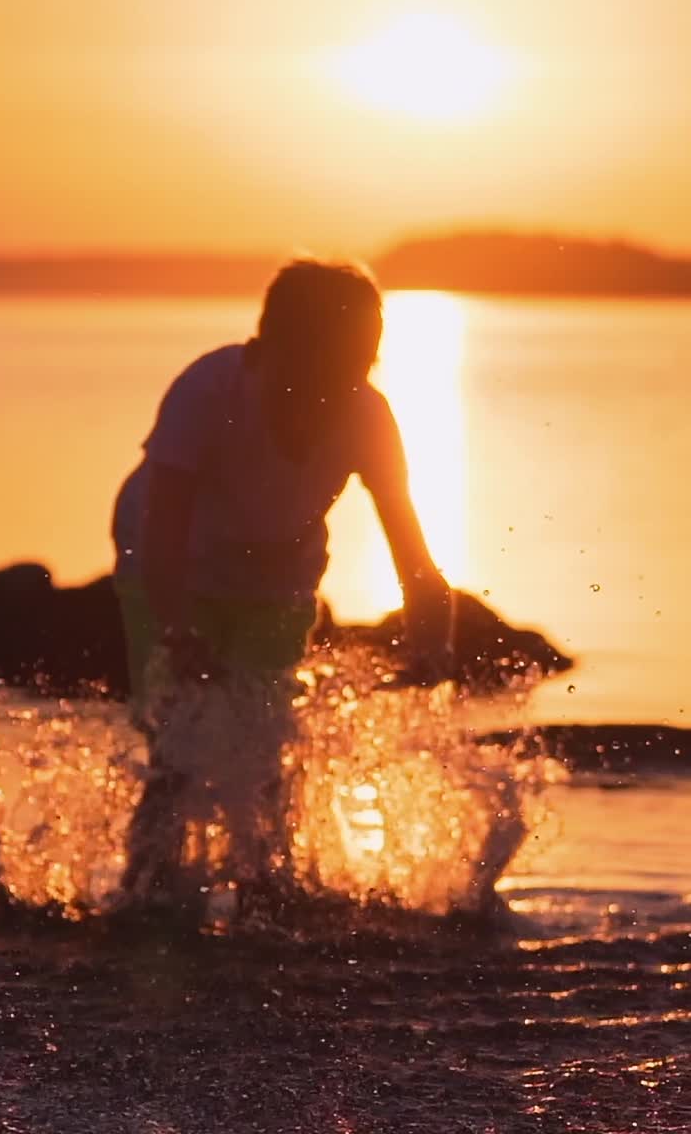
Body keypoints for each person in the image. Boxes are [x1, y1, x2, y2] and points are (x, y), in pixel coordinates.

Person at [111, 258, 452, 903]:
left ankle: (268, 894)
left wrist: (433, 637)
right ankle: (147, 894)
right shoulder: (206, 392)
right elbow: (162, 537)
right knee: (180, 744)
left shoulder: (367, 417)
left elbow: (412, 553)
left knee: (268, 750)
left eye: (354, 372)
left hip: (276, 576)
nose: (329, 395)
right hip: (165, 561)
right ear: (269, 351)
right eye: (317, 373)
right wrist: (178, 632)